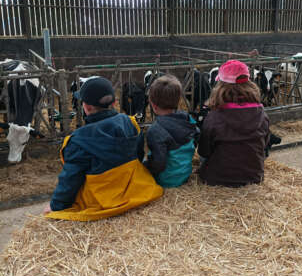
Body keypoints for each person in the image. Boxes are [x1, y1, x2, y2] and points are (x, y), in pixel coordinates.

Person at [44, 77, 163, 221]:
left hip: (102, 200)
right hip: (135, 188)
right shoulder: (130, 122)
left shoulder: (78, 140)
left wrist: (56, 206)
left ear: (86, 107)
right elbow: (138, 155)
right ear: (114, 102)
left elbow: (70, 178)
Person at [197, 60, 270, 187]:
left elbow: (203, 151)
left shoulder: (214, 116)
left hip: (216, 179)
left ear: (220, 85)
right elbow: (265, 144)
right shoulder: (261, 113)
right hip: (253, 178)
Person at [145, 74, 199, 188]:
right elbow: (197, 135)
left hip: (167, 181)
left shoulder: (155, 130)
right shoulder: (187, 118)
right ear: (179, 100)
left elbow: (159, 164)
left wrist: (145, 167)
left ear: (153, 105)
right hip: (185, 173)